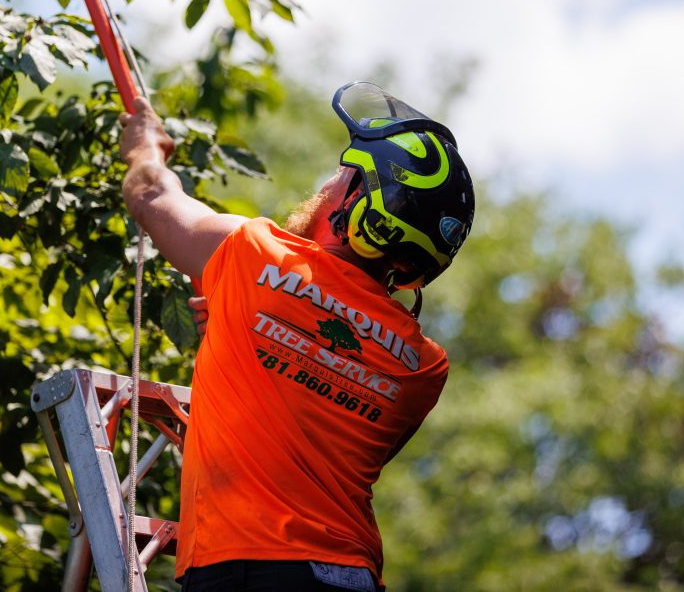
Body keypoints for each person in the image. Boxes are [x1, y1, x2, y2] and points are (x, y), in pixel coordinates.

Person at [118, 82, 475, 592]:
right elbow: (315, 421)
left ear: (358, 201)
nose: (326, 184)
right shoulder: (423, 368)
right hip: (352, 576)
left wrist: (146, 147)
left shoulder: (254, 255)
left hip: (247, 567)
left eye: (341, 174)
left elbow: (152, 194)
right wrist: (239, 327)